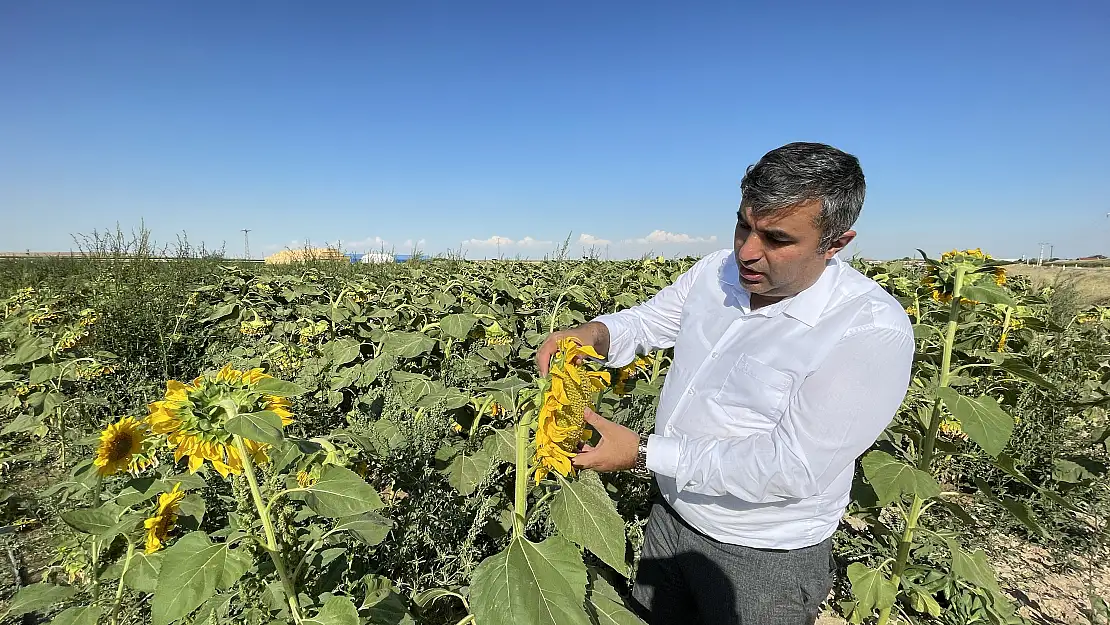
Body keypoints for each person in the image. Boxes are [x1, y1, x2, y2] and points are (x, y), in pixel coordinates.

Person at [535, 142, 915, 624]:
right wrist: (597, 333)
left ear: (835, 243)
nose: (747, 251)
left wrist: (645, 454)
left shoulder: (866, 330)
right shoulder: (717, 272)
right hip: (672, 518)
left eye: (776, 239)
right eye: (743, 225)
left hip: (761, 555)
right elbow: (651, 321)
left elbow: (793, 466)